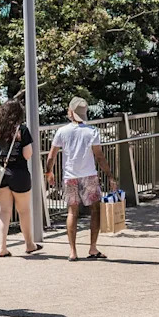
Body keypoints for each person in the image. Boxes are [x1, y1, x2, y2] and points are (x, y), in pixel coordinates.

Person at [46, 97, 116, 261]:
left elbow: (51, 156)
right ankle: (92, 248)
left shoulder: (62, 131)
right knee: (95, 210)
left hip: (70, 177)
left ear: (70, 112)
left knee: (72, 212)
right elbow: (99, 156)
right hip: (89, 175)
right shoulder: (92, 131)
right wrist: (110, 176)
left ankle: (73, 251)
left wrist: (48, 173)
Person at [0, 100, 41, 257]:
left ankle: (2, 247)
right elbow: (27, 154)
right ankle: (29, 244)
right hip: (19, 173)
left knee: (3, 211)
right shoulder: (22, 130)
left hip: (1, 174)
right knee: (23, 210)